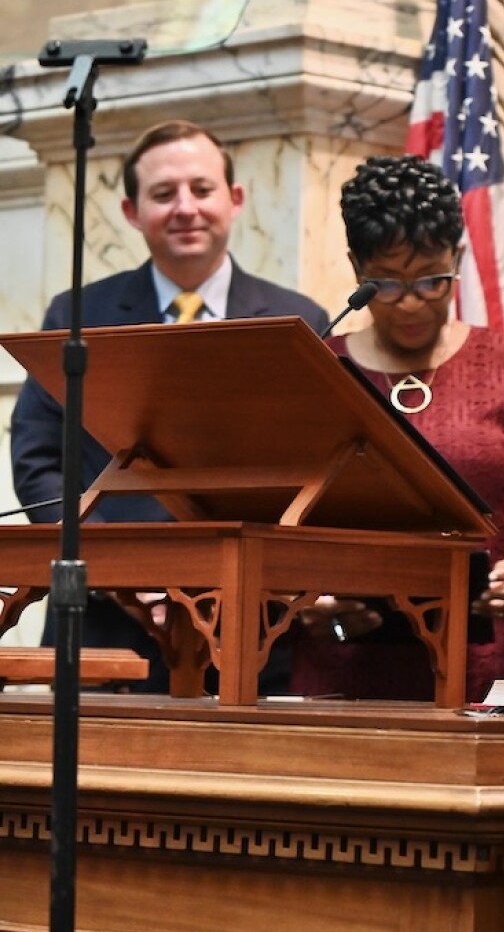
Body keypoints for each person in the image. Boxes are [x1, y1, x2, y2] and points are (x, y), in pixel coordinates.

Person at [9, 119, 328, 692]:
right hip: (101, 627)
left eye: (201, 190)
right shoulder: (79, 316)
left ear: (235, 201)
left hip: (250, 632)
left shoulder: (298, 322)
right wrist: (118, 573)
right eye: (163, 194)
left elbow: (322, 465)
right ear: (132, 212)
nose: (185, 208)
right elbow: (39, 461)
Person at [289, 155, 504, 703]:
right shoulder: (320, 372)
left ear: (460, 258)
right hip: (345, 672)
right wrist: (307, 598)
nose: (410, 302)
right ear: (357, 268)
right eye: (387, 284)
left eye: (432, 280)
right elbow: (280, 521)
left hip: (486, 666)